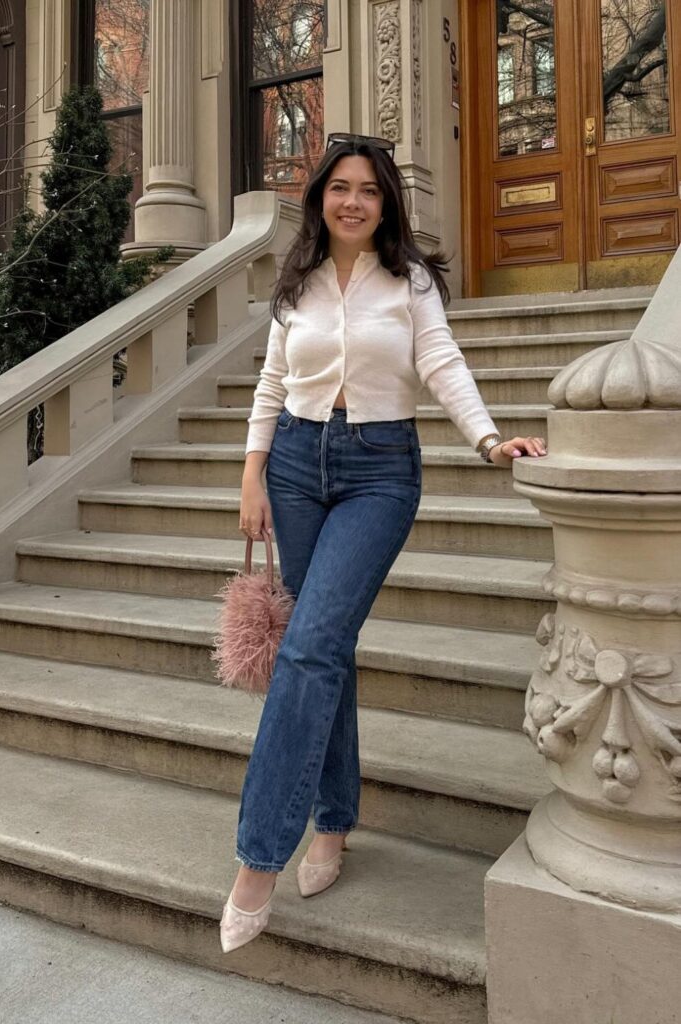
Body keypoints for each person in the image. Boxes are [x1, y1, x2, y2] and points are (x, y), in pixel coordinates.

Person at [220, 132, 547, 953]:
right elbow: (270, 383)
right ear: (320, 197)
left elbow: (441, 363)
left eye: (369, 189)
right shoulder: (295, 279)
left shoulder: (410, 281)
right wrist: (252, 475)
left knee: (309, 648)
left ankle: (257, 859)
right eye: (340, 187)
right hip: (294, 464)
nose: (353, 201)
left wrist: (487, 439)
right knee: (323, 650)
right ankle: (332, 819)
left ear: (386, 201)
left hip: (379, 470)